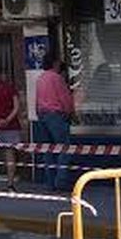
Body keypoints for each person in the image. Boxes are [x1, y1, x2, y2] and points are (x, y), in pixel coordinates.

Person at [34, 54, 77, 192]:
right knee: (65, 147)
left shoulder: (40, 78)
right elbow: (65, 98)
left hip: (42, 115)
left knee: (48, 150)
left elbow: (37, 99)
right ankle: (61, 180)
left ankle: (50, 182)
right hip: (55, 115)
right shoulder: (57, 78)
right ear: (55, 63)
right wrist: (71, 113)